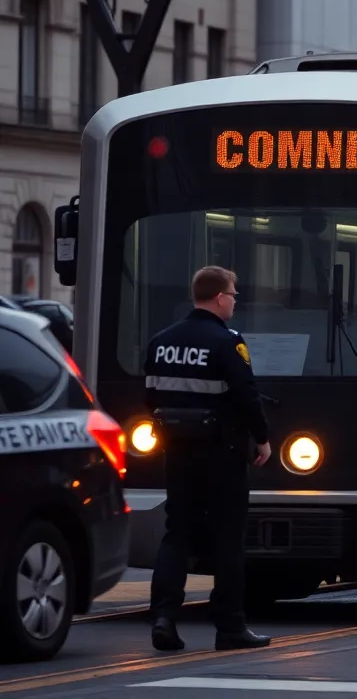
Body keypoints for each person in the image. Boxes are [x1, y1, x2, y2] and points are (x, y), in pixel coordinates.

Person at [144, 266, 273, 652]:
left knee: (176, 534)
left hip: (178, 452)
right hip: (222, 454)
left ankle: (164, 618)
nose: (235, 301)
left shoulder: (161, 341)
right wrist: (263, 440)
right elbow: (246, 395)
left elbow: (150, 397)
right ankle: (230, 627)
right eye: (233, 294)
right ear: (219, 297)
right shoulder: (227, 342)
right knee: (228, 539)